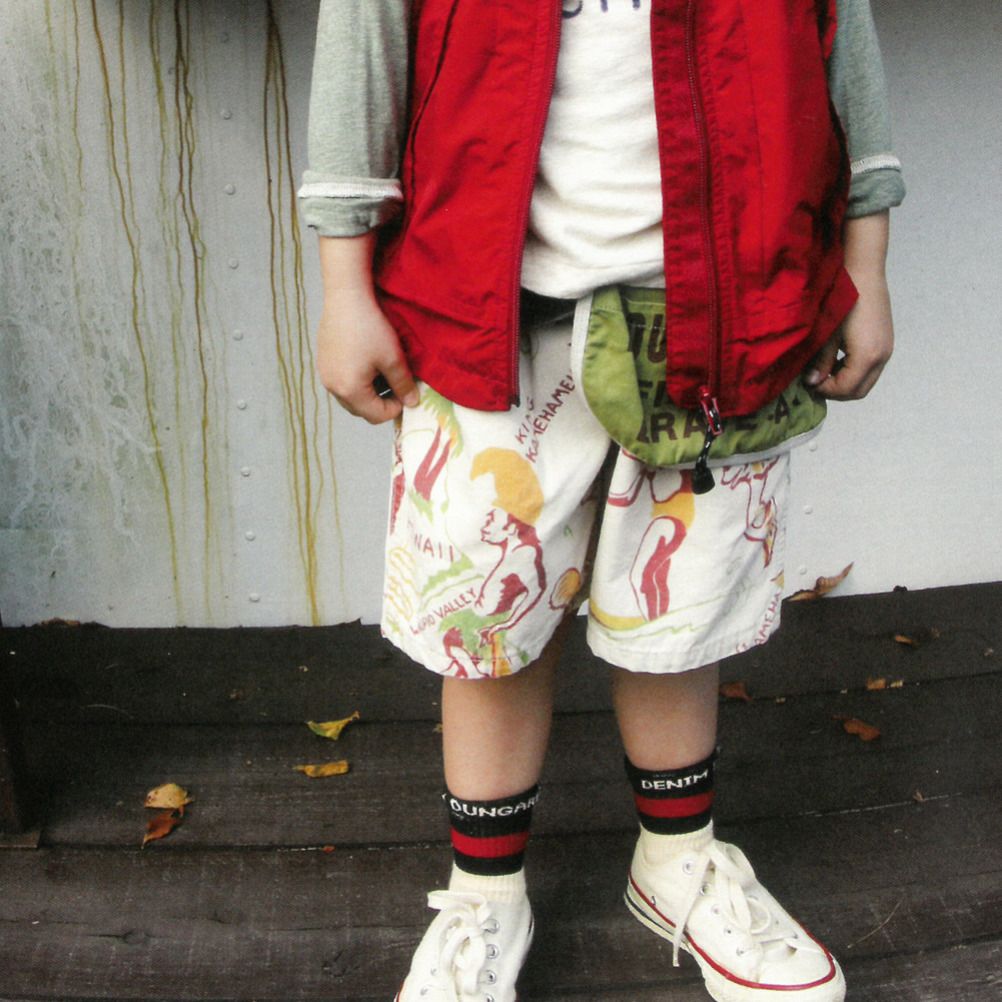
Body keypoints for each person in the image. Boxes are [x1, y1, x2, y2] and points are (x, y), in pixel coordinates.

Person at [299, 2, 905, 1000]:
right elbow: (364, 45)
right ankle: (484, 895)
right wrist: (343, 282)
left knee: (678, 613)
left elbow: (844, 47)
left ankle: (679, 861)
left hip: (720, 322)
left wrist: (866, 266)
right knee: (490, 618)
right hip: (488, 320)